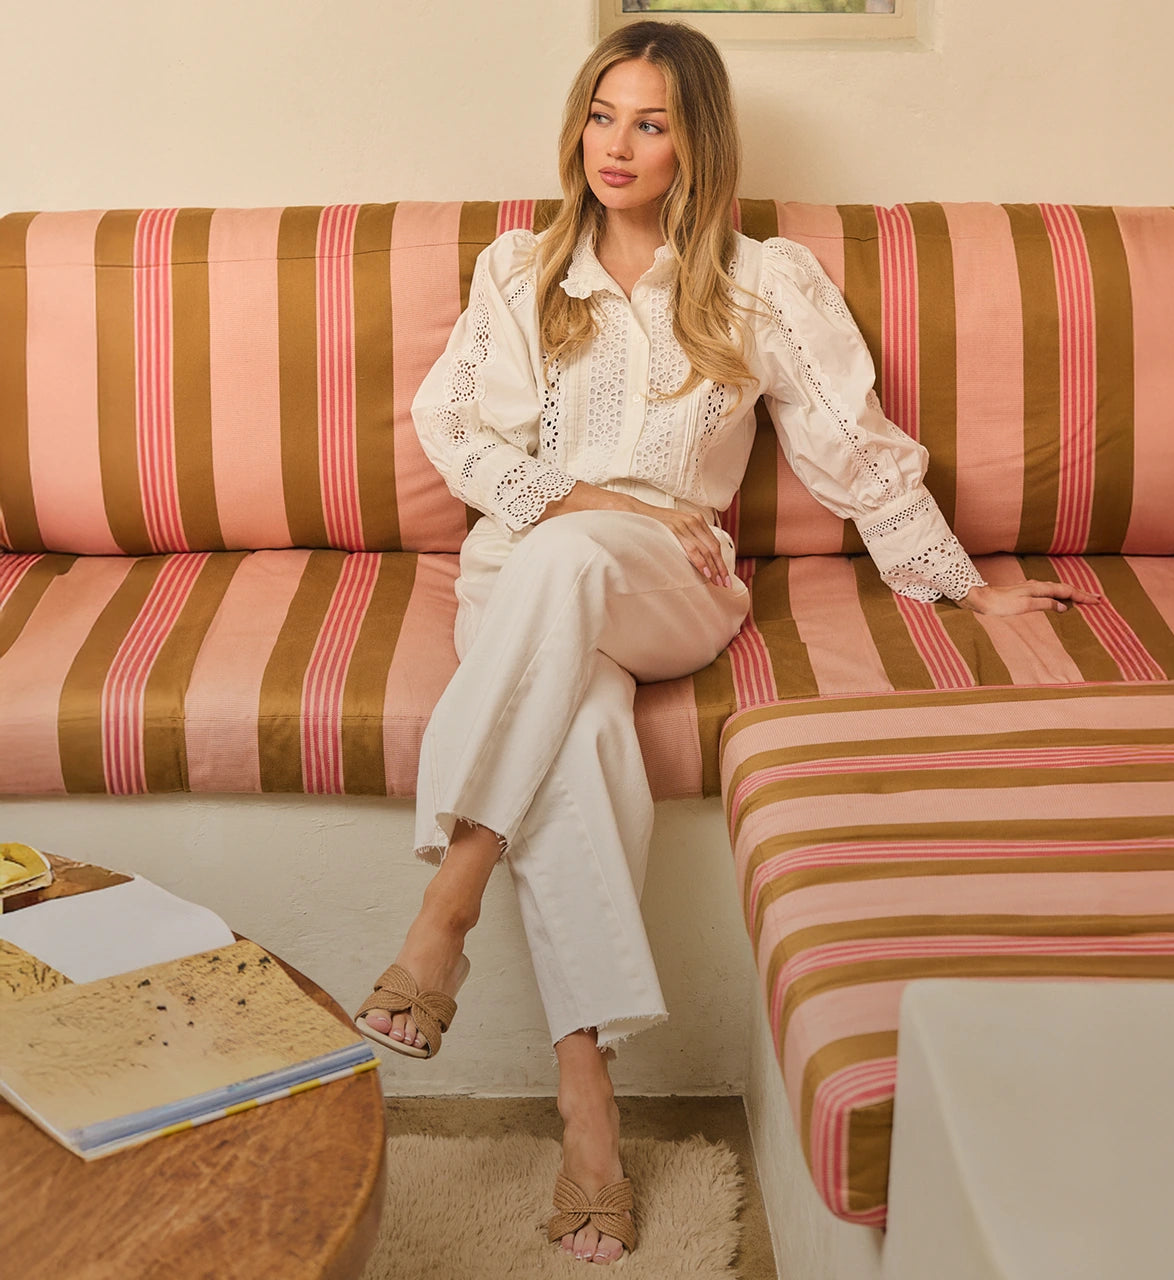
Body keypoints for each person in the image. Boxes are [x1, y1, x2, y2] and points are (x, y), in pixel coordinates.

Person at [355, 18, 1099, 1266]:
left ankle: (447, 901)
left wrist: (965, 590)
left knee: (581, 569)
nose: (617, 143)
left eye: (650, 121)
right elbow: (457, 439)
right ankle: (585, 1101)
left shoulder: (764, 282)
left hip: (672, 581)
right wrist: (583, 498)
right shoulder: (515, 270)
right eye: (602, 114)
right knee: (578, 719)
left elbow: (849, 445)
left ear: (695, 142)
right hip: (525, 574)